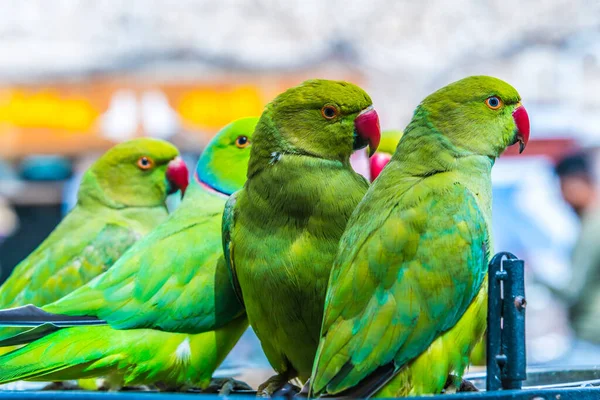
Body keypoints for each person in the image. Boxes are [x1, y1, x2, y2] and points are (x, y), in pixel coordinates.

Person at [554, 151, 600, 350]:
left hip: (592, 335)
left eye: (562, 187)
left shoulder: (593, 226)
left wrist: (533, 277)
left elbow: (572, 291)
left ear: (576, 182)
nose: (562, 198)